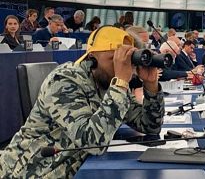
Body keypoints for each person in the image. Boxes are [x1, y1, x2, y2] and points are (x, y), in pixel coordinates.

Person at [0, 26, 164, 178]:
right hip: (32, 171)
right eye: (114, 59)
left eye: (127, 62)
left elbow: (150, 126)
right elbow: (92, 143)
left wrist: (151, 86)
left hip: (75, 168)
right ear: (92, 56)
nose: (120, 66)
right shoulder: (65, 80)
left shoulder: (112, 85)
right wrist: (120, 82)